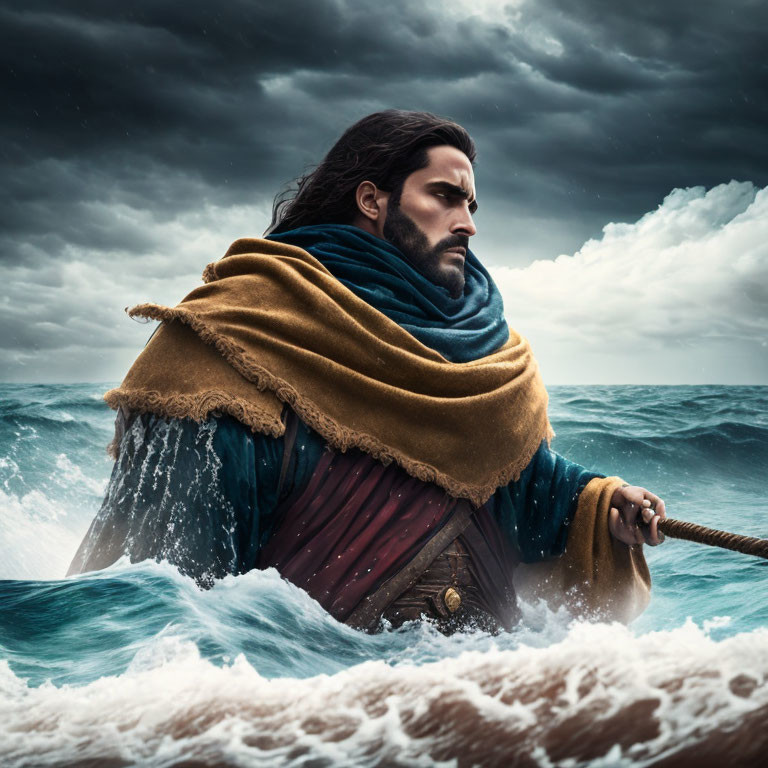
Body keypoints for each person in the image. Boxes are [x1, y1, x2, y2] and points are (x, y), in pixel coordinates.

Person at [68, 110, 666, 633]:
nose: (468, 224)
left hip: (489, 702)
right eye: (445, 196)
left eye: (471, 204)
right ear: (372, 199)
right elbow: (170, 595)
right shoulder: (243, 328)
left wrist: (601, 502)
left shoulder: (486, 356)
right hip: (310, 708)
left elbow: (514, 481)